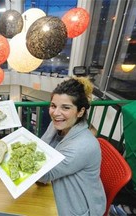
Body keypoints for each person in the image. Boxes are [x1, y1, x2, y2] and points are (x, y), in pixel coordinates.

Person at [38, 76, 106, 216]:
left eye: (66, 107)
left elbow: (43, 175)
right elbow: (41, 147)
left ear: (80, 111)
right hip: (59, 184)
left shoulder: (82, 146)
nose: (56, 113)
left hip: (80, 206)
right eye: (53, 105)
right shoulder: (59, 123)